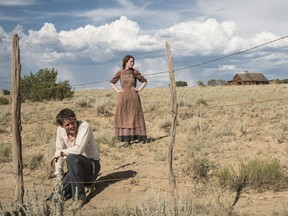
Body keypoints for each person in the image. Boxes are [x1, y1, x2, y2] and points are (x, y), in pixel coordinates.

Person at [48, 108, 101, 210]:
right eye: (67, 125)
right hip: (75, 169)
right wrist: (59, 179)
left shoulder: (84, 127)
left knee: (72, 158)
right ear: (62, 126)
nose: (71, 126)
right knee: (61, 188)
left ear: (76, 119)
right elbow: (59, 153)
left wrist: (59, 153)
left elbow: (78, 150)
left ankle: (79, 197)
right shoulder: (60, 131)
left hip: (91, 166)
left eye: (72, 122)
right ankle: (54, 199)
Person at [110, 55, 147, 146]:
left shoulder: (135, 72)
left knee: (134, 116)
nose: (132, 63)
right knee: (124, 117)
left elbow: (144, 81)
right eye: (131, 61)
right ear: (126, 62)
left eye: (133, 61)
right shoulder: (120, 72)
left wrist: (139, 89)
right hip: (123, 97)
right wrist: (118, 90)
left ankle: (139, 137)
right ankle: (126, 139)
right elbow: (111, 82)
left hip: (133, 96)